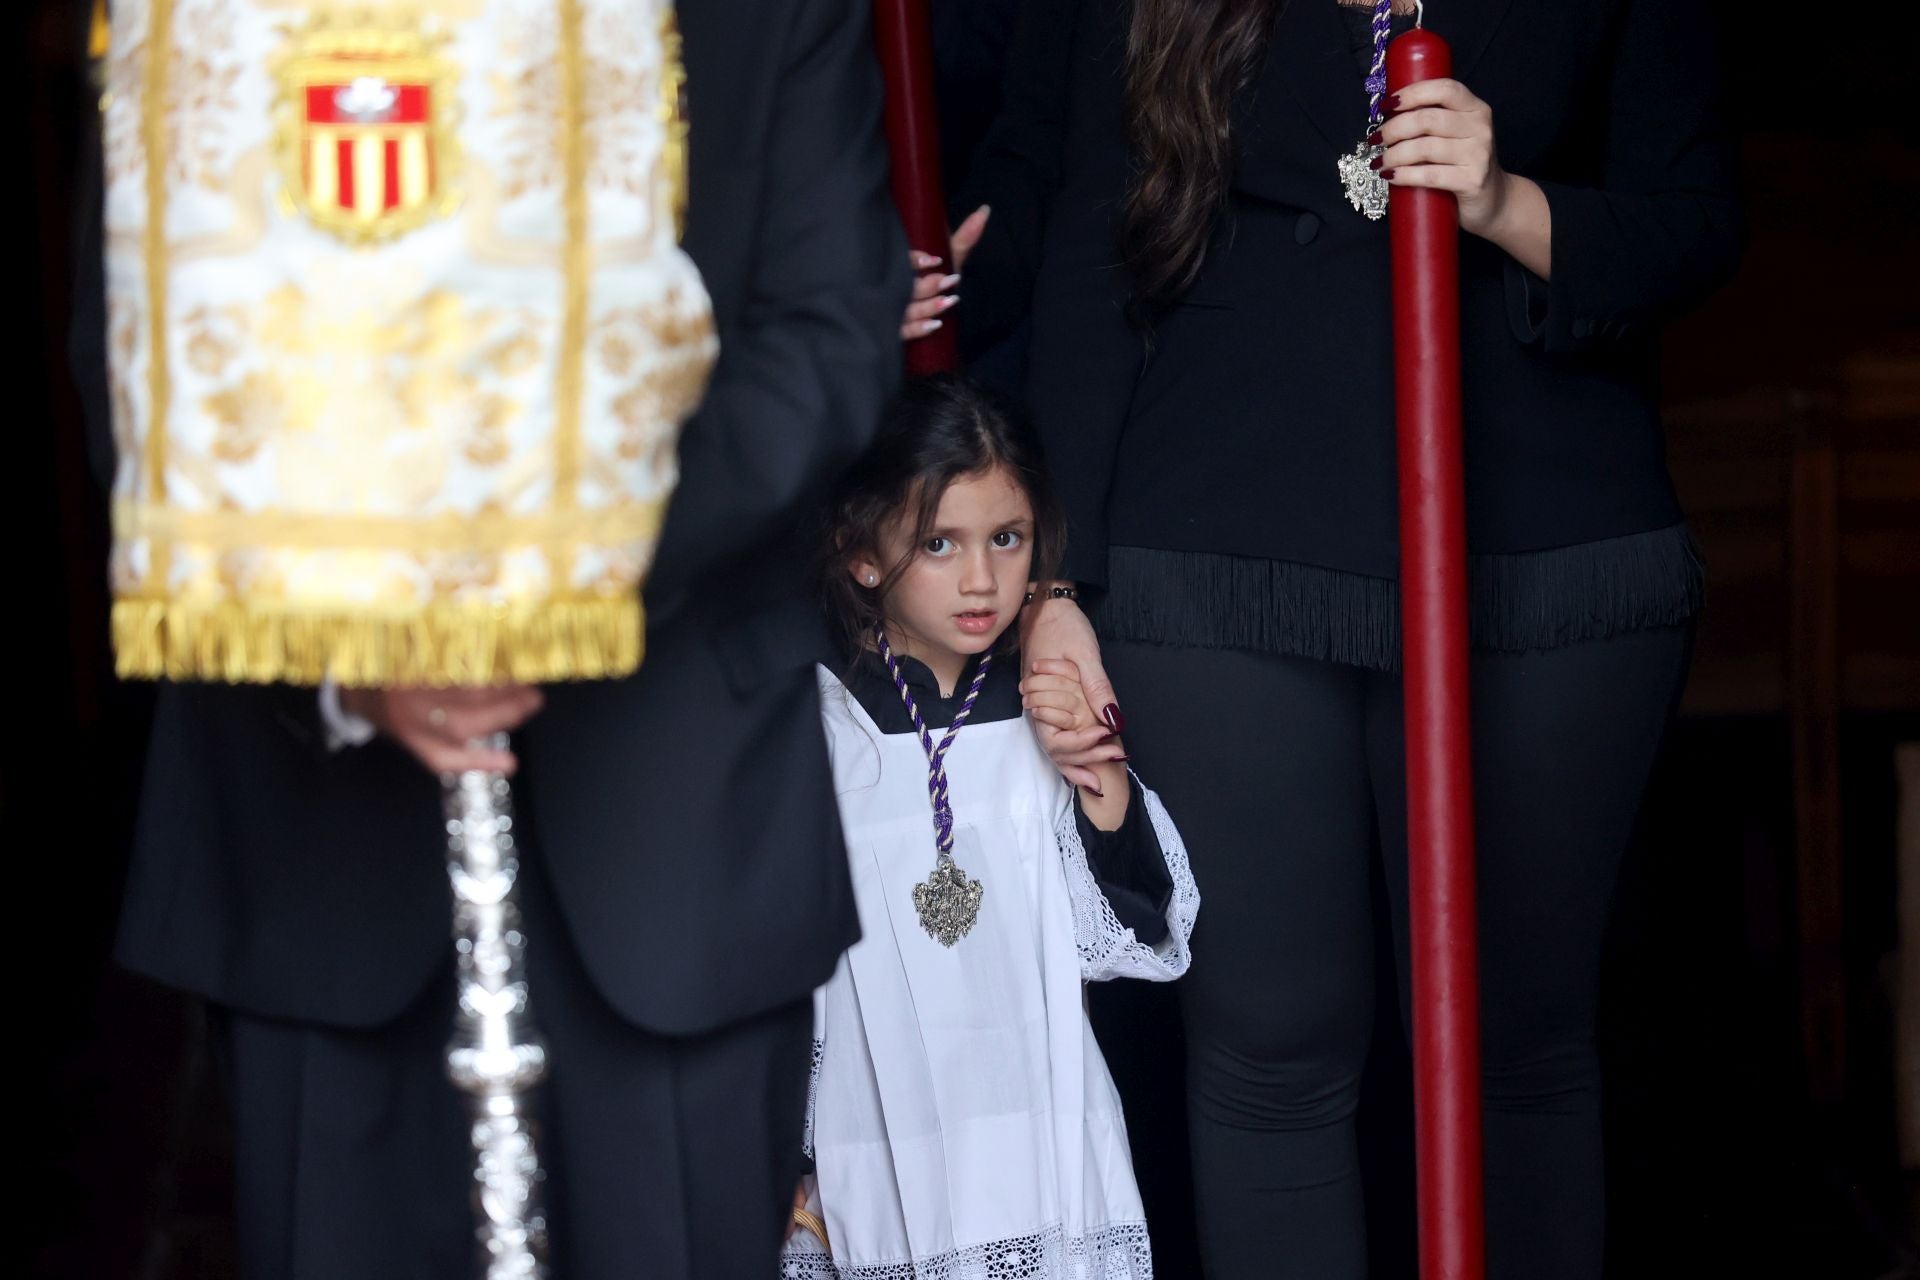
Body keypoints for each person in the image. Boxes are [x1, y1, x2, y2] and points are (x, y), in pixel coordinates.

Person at [99, 0, 910, 1275]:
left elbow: (829, 336)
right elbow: (142, 353)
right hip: (320, 836)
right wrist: (347, 636)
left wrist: (554, 577)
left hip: (677, 819)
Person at [1012, 1, 1744, 1277]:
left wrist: (1508, 199)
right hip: (1218, 552)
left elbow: (1696, 220)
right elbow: (1093, 243)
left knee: (1514, 1048)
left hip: (1542, 559)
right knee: (1266, 1051)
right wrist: (1053, 579)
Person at [779, 374, 1197, 1279]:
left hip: (1042, 1131)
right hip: (877, 1137)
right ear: (860, 551)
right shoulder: (816, 723)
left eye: (1007, 540)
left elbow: (1132, 939)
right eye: (939, 543)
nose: (981, 581)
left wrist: (1100, 782)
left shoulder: (1039, 707)